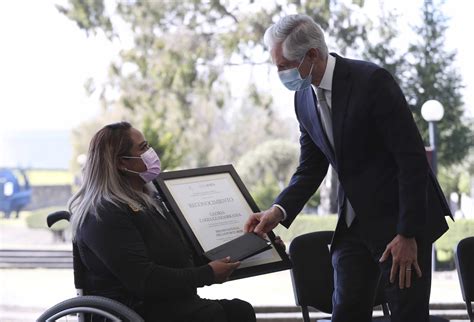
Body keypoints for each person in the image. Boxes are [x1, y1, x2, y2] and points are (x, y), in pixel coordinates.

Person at [244, 14, 452, 322]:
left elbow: (411, 160)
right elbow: (311, 167)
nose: (280, 74)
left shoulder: (371, 81)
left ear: (312, 55)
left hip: (401, 225)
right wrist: (278, 211)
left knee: (408, 315)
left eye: (283, 66)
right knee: (346, 312)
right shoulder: (302, 98)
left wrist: (408, 234)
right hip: (354, 226)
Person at [69, 121, 256, 322]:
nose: (151, 152)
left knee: (239, 311)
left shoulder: (151, 202)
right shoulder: (103, 213)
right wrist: (207, 274)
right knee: (219, 315)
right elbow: (143, 279)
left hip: (169, 304)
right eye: (143, 148)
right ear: (122, 163)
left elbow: (184, 256)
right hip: (134, 311)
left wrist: (255, 245)